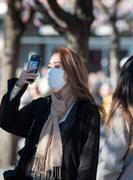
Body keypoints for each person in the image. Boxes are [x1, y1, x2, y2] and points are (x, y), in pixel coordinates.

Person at [0, 47, 102, 180]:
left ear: (72, 71)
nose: (51, 71)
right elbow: (7, 121)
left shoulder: (87, 112)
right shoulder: (42, 105)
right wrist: (18, 87)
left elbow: (87, 166)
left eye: (57, 66)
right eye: (49, 67)